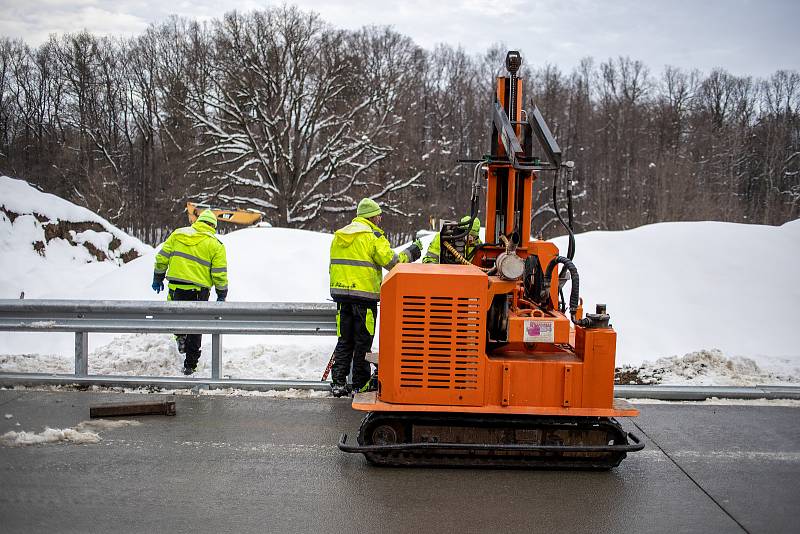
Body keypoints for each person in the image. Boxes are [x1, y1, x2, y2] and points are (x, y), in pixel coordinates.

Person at [328, 198, 423, 397]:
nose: (380, 218)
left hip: (342, 298)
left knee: (344, 340)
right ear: (372, 216)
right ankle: (359, 385)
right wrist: (412, 253)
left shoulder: (339, 235)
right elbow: (392, 261)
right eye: (379, 215)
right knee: (363, 342)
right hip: (364, 299)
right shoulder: (373, 236)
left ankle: (338, 383)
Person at [151, 209, 228, 375]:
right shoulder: (215, 244)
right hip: (199, 291)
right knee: (196, 326)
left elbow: (162, 257)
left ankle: (180, 336)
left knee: (175, 316)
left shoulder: (178, 234)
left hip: (176, 287)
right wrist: (222, 294)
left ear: (198, 221)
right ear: (213, 226)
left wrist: (158, 277)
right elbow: (219, 273)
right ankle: (190, 365)